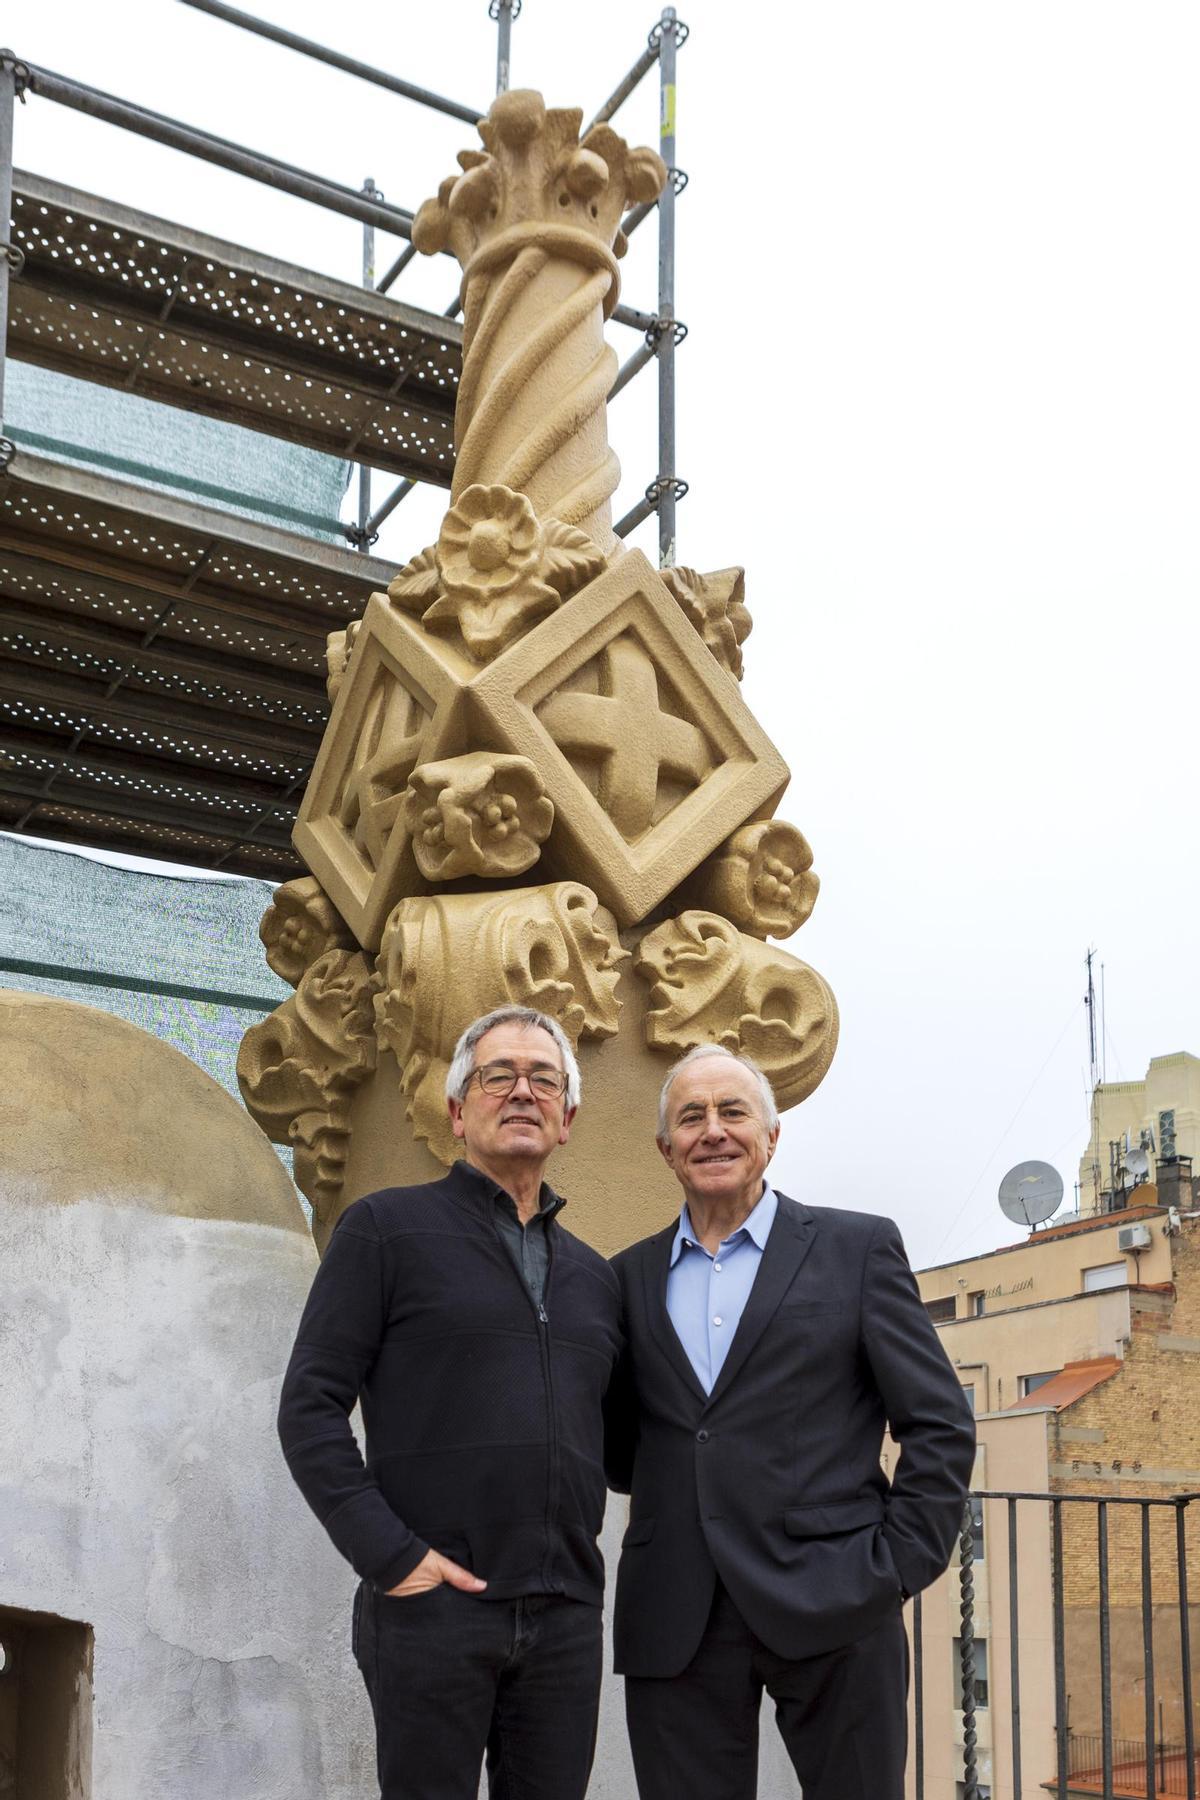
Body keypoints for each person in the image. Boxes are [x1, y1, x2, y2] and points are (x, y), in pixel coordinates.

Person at [606, 1042, 976, 1800]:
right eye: (691, 1117)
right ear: (666, 1149)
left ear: (771, 1137)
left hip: (839, 1596)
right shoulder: (623, 1278)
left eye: (733, 1112)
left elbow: (938, 1420)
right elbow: (621, 1448)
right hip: (675, 1613)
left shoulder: (857, 1248)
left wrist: (898, 1566)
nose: (713, 1130)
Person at [278, 1004, 623, 1800]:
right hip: (433, 1608)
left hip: (565, 1617)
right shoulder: (385, 1231)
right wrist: (391, 1557)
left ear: (568, 1118)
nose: (523, 1092)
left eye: (544, 1080)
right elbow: (309, 1407)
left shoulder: (595, 1279)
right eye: (498, 1076)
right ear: (458, 1110)